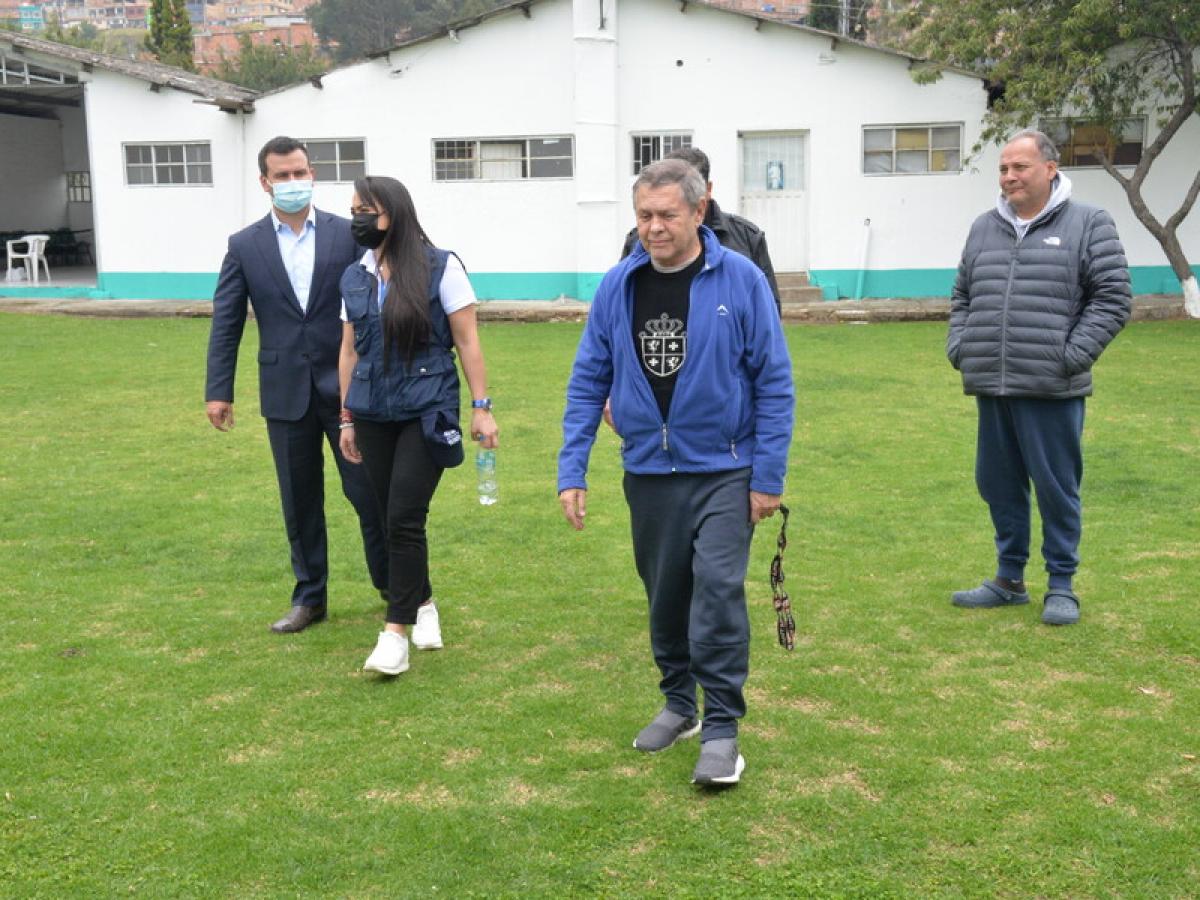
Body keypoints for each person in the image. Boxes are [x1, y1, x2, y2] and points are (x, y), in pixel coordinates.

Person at [558, 159, 794, 785]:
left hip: (726, 468)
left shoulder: (740, 279)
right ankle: (678, 704)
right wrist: (571, 468)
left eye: (667, 215)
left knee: (716, 590)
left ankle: (721, 729)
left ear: (698, 211)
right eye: (644, 216)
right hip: (649, 471)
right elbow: (588, 380)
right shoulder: (617, 286)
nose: (654, 228)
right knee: (666, 597)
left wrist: (768, 476)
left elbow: (774, 380)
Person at [947, 129, 1131, 626]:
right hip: (992, 382)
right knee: (998, 484)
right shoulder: (984, 227)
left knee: (1056, 488)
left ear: (1050, 168)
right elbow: (962, 296)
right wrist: (960, 347)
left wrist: (1070, 356)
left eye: (1019, 167)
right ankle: (1008, 581)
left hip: (1052, 386)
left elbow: (1113, 298)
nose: (1009, 177)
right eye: (1003, 169)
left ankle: (1062, 584)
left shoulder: (1089, 222)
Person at [206, 136, 388, 634]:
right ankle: (310, 598)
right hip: (285, 392)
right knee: (299, 499)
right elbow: (227, 321)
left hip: (349, 391)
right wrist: (218, 390)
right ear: (265, 183)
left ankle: (395, 589)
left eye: (300, 173)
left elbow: (378, 301)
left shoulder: (345, 234)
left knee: (368, 492)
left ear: (312, 174)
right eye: (282, 176)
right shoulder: (244, 246)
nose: (293, 183)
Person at [337, 176, 498, 676]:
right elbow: (349, 350)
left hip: (426, 406)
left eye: (368, 210)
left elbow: (467, 341)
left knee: (405, 515)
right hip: (370, 411)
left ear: (396, 213)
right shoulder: (355, 276)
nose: (359, 219)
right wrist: (345, 416)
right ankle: (422, 602)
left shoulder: (441, 267)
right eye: (354, 209)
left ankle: (395, 634)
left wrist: (481, 406)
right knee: (390, 516)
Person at [620, 146, 781, 313]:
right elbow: (619, 305)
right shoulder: (638, 240)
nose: (656, 227)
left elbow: (769, 311)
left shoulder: (747, 238)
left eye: (690, 186)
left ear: (707, 189)